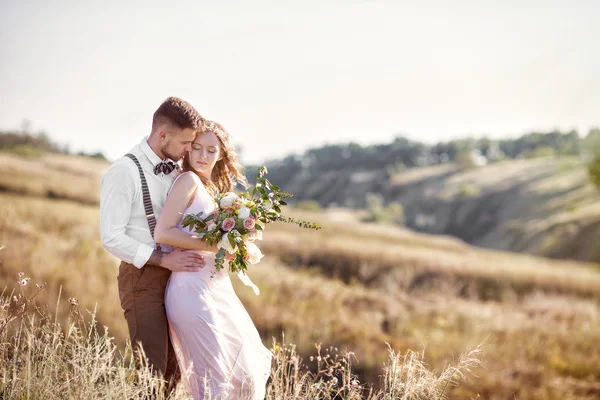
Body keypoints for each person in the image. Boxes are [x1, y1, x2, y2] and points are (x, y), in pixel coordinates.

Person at [154, 120, 272, 399]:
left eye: (210, 150)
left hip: (216, 288)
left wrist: (233, 249)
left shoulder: (212, 190)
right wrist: (211, 245)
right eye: (196, 148)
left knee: (243, 377)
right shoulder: (188, 180)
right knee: (214, 382)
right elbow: (162, 232)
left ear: (221, 154)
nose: (202, 156)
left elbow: (213, 243)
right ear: (188, 150)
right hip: (191, 289)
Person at [100, 96, 206, 386]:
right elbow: (111, 237)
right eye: (185, 144)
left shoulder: (177, 171)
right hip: (142, 278)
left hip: (177, 280)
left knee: (175, 370)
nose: (188, 151)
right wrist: (162, 259)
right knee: (152, 371)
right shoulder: (124, 171)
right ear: (163, 135)